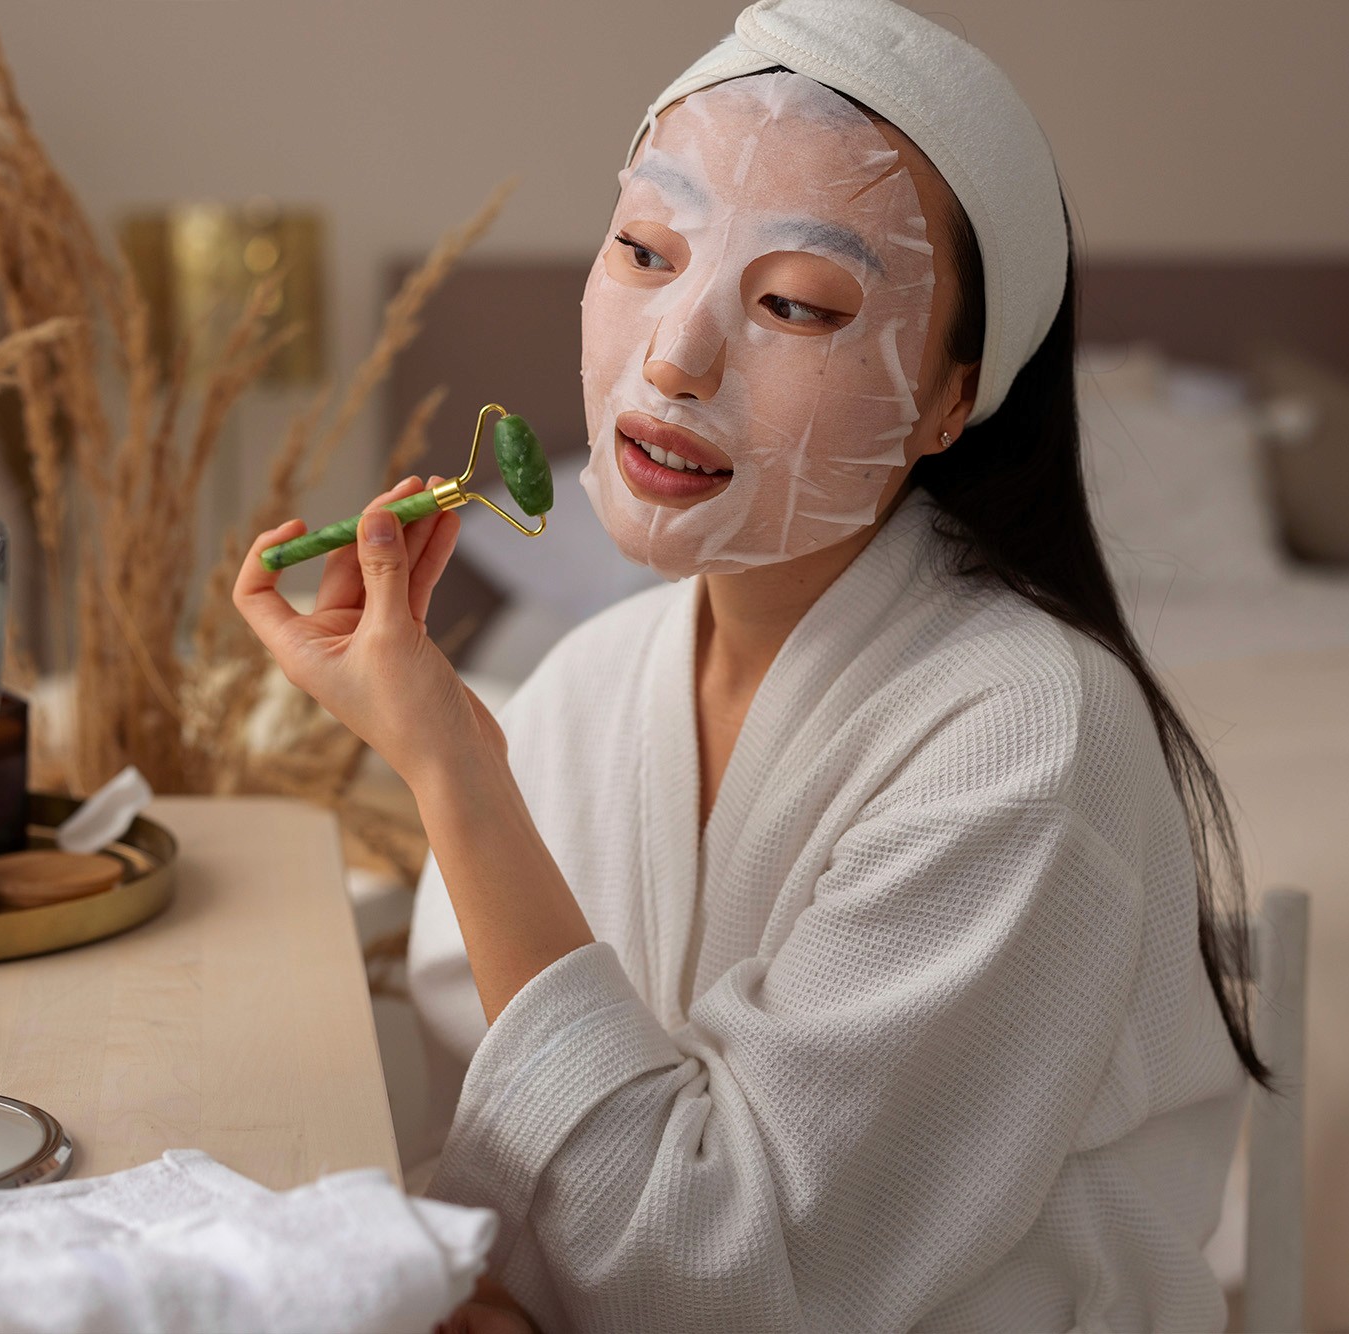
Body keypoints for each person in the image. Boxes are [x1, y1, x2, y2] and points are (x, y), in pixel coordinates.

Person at [235, 2, 1262, 1328]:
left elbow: (712, 1276)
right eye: (646, 250)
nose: (675, 352)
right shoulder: (588, 688)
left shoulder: (1027, 740)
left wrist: (453, 763)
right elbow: (497, 1162)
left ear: (957, 398)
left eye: (797, 302)